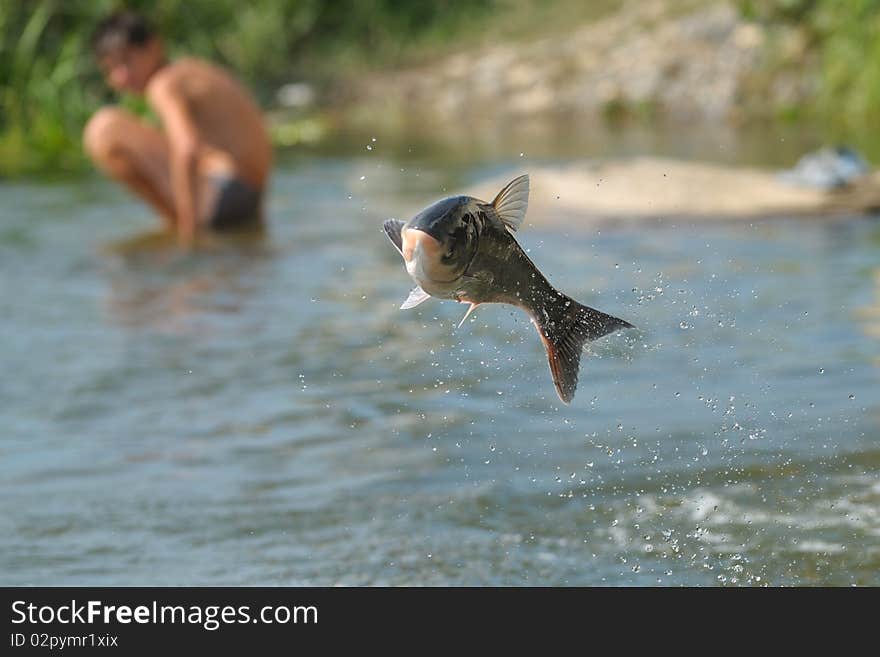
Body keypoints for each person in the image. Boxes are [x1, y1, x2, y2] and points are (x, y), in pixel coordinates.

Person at [83, 11, 272, 245]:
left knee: (104, 129)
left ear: (154, 47)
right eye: (110, 69)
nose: (121, 77)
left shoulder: (163, 84)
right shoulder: (190, 70)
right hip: (248, 196)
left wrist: (189, 230)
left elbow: (187, 148)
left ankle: (181, 225)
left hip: (226, 194)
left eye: (127, 61)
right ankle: (190, 224)